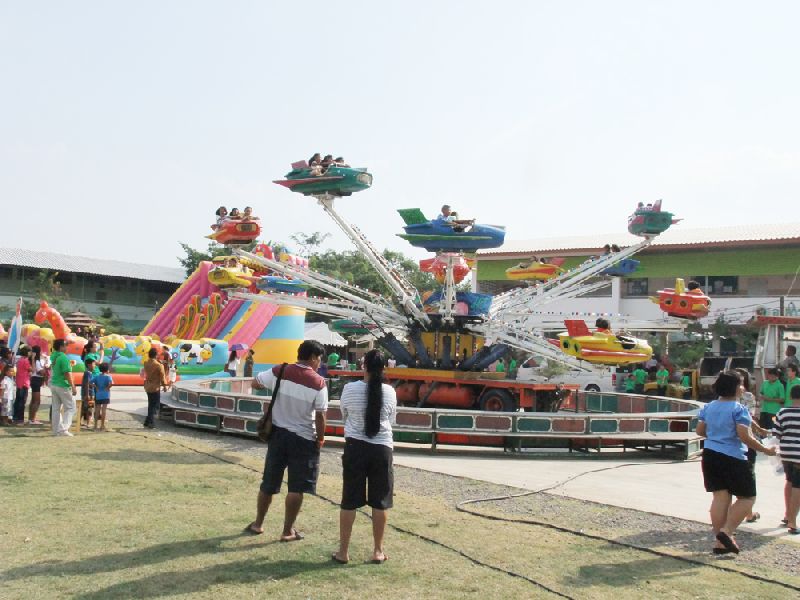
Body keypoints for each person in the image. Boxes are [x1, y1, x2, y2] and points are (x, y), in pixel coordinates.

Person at [245, 340, 328, 541]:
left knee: (269, 482)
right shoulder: (318, 383)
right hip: (304, 439)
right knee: (296, 487)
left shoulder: (280, 370)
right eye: (319, 359)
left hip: (278, 435)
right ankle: (287, 530)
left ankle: (258, 524)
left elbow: (255, 383)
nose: (319, 363)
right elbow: (320, 415)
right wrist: (320, 438)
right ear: (312, 358)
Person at [696, 371, 776, 554]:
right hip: (733, 457)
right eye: (740, 384)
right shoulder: (739, 409)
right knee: (748, 498)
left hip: (710, 455)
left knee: (720, 498)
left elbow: (700, 431)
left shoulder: (708, 407)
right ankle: (727, 532)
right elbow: (744, 436)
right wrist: (766, 450)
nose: (743, 387)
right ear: (734, 388)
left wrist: (717, 436)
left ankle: (720, 542)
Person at [332, 349, 396, 565]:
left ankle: (343, 551)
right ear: (384, 368)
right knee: (380, 501)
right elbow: (391, 419)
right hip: (382, 448)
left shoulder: (349, 389)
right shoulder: (390, 392)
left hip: (355, 447)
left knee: (349, 500)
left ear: (364, 366)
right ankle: (378, 550)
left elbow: (345, 415)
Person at [775, 386, 800, 534]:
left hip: (785, 452)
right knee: (798, 486)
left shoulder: (782, 412)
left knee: (789, 481)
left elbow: (777, 433)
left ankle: (787, 514)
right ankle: (793, 521)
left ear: (790, 396)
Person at [50, 339, 77, 437]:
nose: (67, 348)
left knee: (56, 408)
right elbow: (67, 373)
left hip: (54, 383)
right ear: (61, 347)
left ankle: (56, 429)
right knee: (71, 407)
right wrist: (73, 386)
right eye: (65, 346)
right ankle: (63, 429)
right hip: (63, 385)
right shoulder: (63, 357)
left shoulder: (54, 356)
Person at [142, 348, 168, 428]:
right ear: (156, 355)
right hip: (155, 387)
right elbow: (162, 377)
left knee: (151, 404)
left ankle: (147, 421)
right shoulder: (159, 365)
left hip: (148, 386)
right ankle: (151, 422)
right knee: (155, 406)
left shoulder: (146, 363)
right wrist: (164, 386)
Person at [28, 345, 48, 424]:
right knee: (37, 401)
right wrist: (46, 366)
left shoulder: (35, 360)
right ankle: (32, 419)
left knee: (33, 400)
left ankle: (31, 418)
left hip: (36, 380)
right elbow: (41, 372)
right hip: (36, 380)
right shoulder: (36, 361)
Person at [13, 347, 31, 425]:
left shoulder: (20, 360)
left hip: (19, 382)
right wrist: (33, 359)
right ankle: (20, 419)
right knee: (22, 402)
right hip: (24, 383)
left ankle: (15, 417)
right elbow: (31, 369)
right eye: (30, 352)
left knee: (18, 401)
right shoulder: (26, 360)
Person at [93, 363, 113, 431]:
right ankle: (102, 425)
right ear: (107, 369)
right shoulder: (108, 377)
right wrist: (107, 388)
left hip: (98, 394)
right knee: (104, 410)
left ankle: (95, 425)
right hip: (105, 395)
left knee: (97, 410)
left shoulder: (97, 376)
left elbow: (90, 382)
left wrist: (96, 387)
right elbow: (112, 383)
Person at [80, 358, 95, 428]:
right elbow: (87, 384)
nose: (95, 366)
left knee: (84, 407)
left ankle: (79, 421)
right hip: (89, 393)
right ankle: (88, 423)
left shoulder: (89, 373)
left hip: (86, 393)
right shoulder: (87, 373)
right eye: (93, 364)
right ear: (89, 365)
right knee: (89, 408)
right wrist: (87, 394)